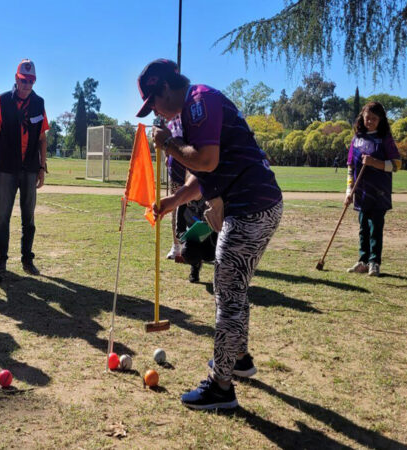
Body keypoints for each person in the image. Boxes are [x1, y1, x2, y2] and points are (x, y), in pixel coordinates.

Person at [139, 59, 283, 411]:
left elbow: (205, 160)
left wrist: (169, 143)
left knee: (227, 291)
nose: (155, 110)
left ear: (166, 89)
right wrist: (173, 200)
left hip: (251, 207)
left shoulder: (199, 102)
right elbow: (202, 177)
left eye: (153, 102)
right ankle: (240, 358)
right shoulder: (191, 108)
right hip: (253, 204)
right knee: (233, 288)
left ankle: (221, 386)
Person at [0, 59, 49, 276]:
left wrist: (42, 167)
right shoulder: (3, 100)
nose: (27, 85)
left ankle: (27, 259)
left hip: (30, 168)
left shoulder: (39, 103)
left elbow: (42, 138)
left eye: (31, 81)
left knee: (29, 218)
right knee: (3, 216)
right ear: (16, 79)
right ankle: (1, 260)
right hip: (6, 168)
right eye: (23, 80)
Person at [344, 102, 400, 277]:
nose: (370, 121)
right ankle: (363, 261)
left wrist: (376, 163)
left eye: (374, 119)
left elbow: (397, 165)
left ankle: (374, 262)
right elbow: (350, 167)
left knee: (375, 227)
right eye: (367, 118)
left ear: (380, 120)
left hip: (380, 191)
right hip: (361, 192)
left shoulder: (385, 138)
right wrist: (348, 191)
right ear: (363, 117)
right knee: (363, 227)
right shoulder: (356, 139)